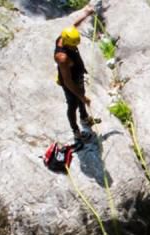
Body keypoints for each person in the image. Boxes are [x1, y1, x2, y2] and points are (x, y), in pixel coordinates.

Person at [55, 6, 101, 144]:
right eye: (73, 46)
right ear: (66, 43)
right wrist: (82, 96)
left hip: (77, 74)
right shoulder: (62, 58)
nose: (75, 47)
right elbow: (68, 82)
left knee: (81, 96)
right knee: (72, 104)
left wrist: (86, 13)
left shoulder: (65, 36)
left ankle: (84, 118)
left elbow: (74, 25)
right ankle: (76, 131)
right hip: (69, 82)